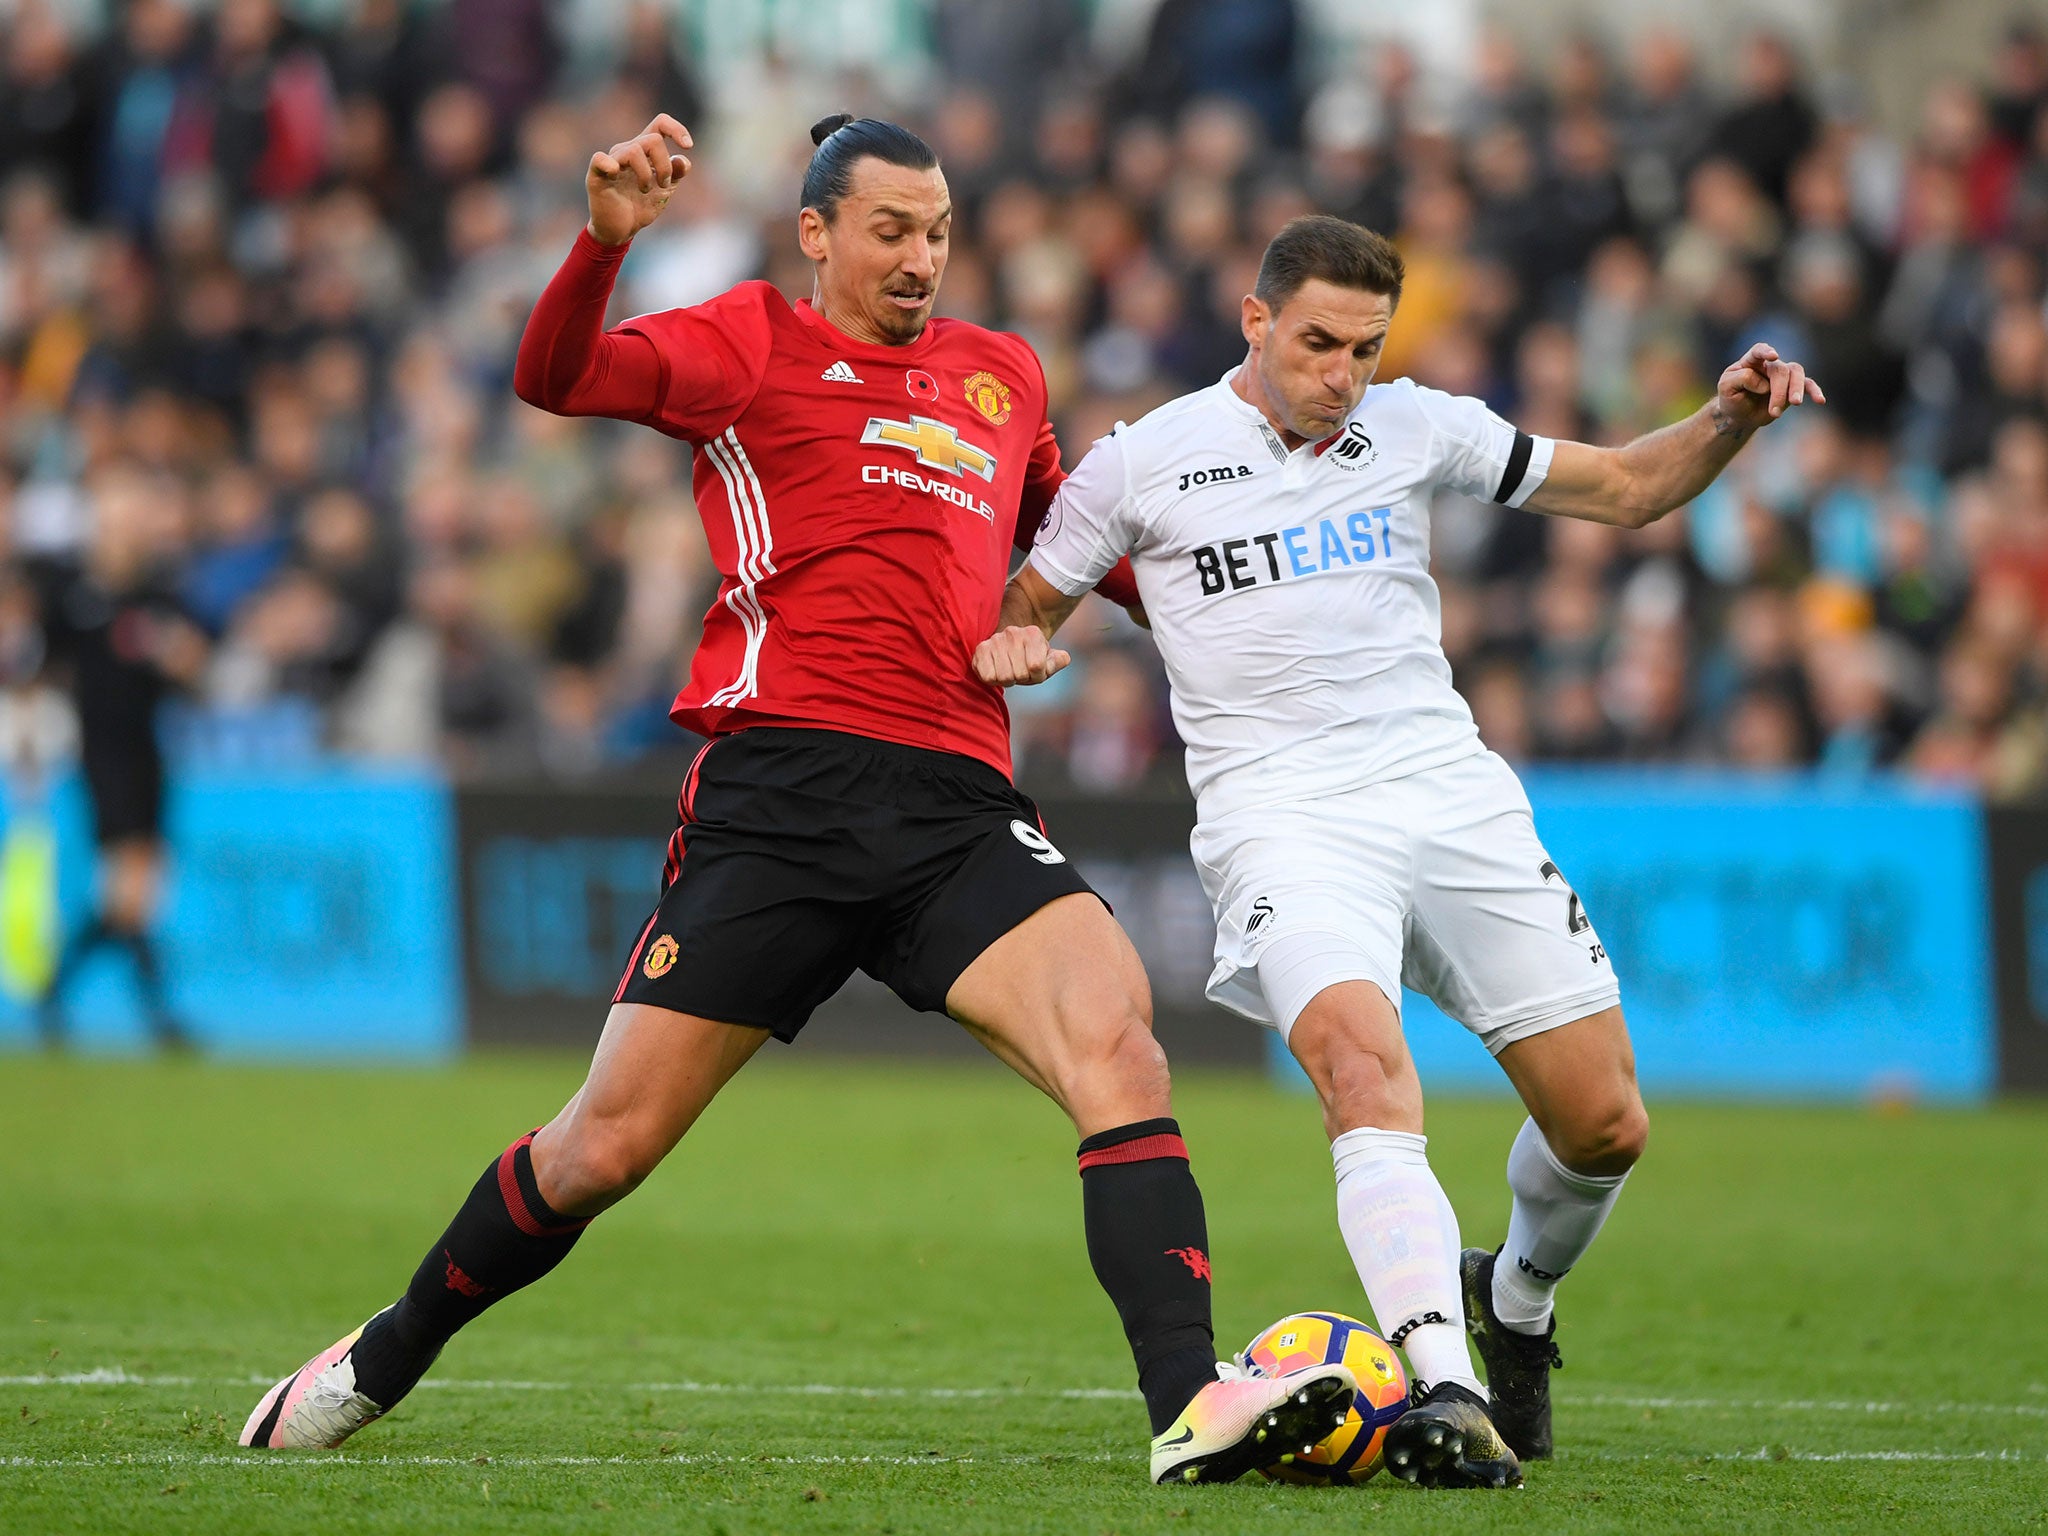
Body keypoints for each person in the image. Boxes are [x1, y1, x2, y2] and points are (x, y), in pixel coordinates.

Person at [242, 115, 1356, 1484]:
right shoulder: (744, 341)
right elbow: (556, 375)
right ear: (817, 232)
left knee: (1120, 1051)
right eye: (890, 231)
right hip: (781, 794)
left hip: (955, 802)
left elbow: (1084, 547)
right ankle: (382, 1357)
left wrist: (1236, 593)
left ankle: (1190, 1407)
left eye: (938, 232)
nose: (920, 259)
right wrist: (605, 241)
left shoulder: (1000, 376)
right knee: (603, 1149)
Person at [976, 214, 1823, 1488]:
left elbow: (1627, 488)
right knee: (1363, 1072)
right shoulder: (1142, 462)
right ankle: (1443, 1385)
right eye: (1317, 342)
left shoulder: (1416, 423)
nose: (1341, 374)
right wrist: (1019, 645)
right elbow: (1026, 604)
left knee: (1603, 1126)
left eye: (1364, 348)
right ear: (1253, 320)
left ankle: (1515, 1301)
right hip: (1280, 818)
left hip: (1445, 794)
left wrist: (1726, 421)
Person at [32, 464, 208, 1051]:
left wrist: (180, 656)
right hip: (101, 754)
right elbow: (43, 668)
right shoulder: (72, 592)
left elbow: (192, 660)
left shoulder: (157, 593)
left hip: (146, 750)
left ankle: (56, 990)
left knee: (135, 896)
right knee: (130, 891)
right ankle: (160, 1020)